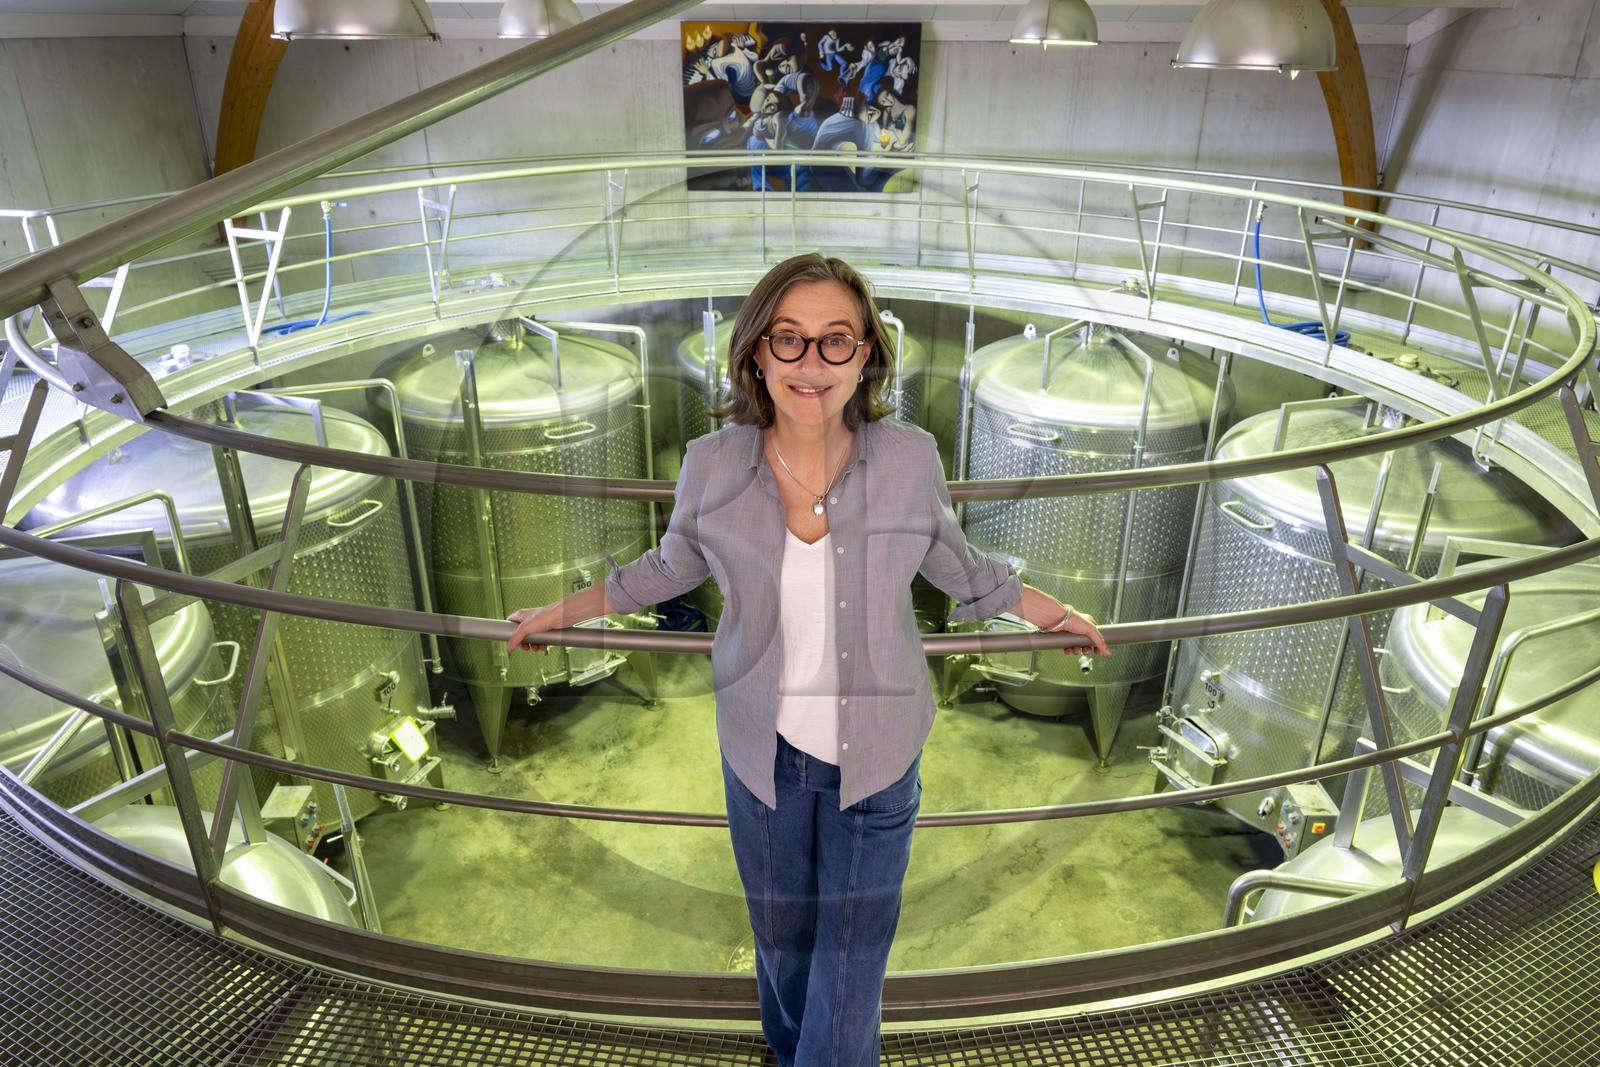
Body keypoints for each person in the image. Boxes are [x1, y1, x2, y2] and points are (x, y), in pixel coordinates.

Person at [506, 254, 1109, 1067]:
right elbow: (663, 570)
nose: (811, 364)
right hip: (764, 759)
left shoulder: (908, 459)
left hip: (879, 760)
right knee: (784, 948)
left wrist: (1057, 617)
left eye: (836, 341)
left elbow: (965, 572)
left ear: (867, 356)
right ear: (756, 352)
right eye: (788, 340)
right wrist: (561, 612)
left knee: (852, 967)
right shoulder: (712, 465)